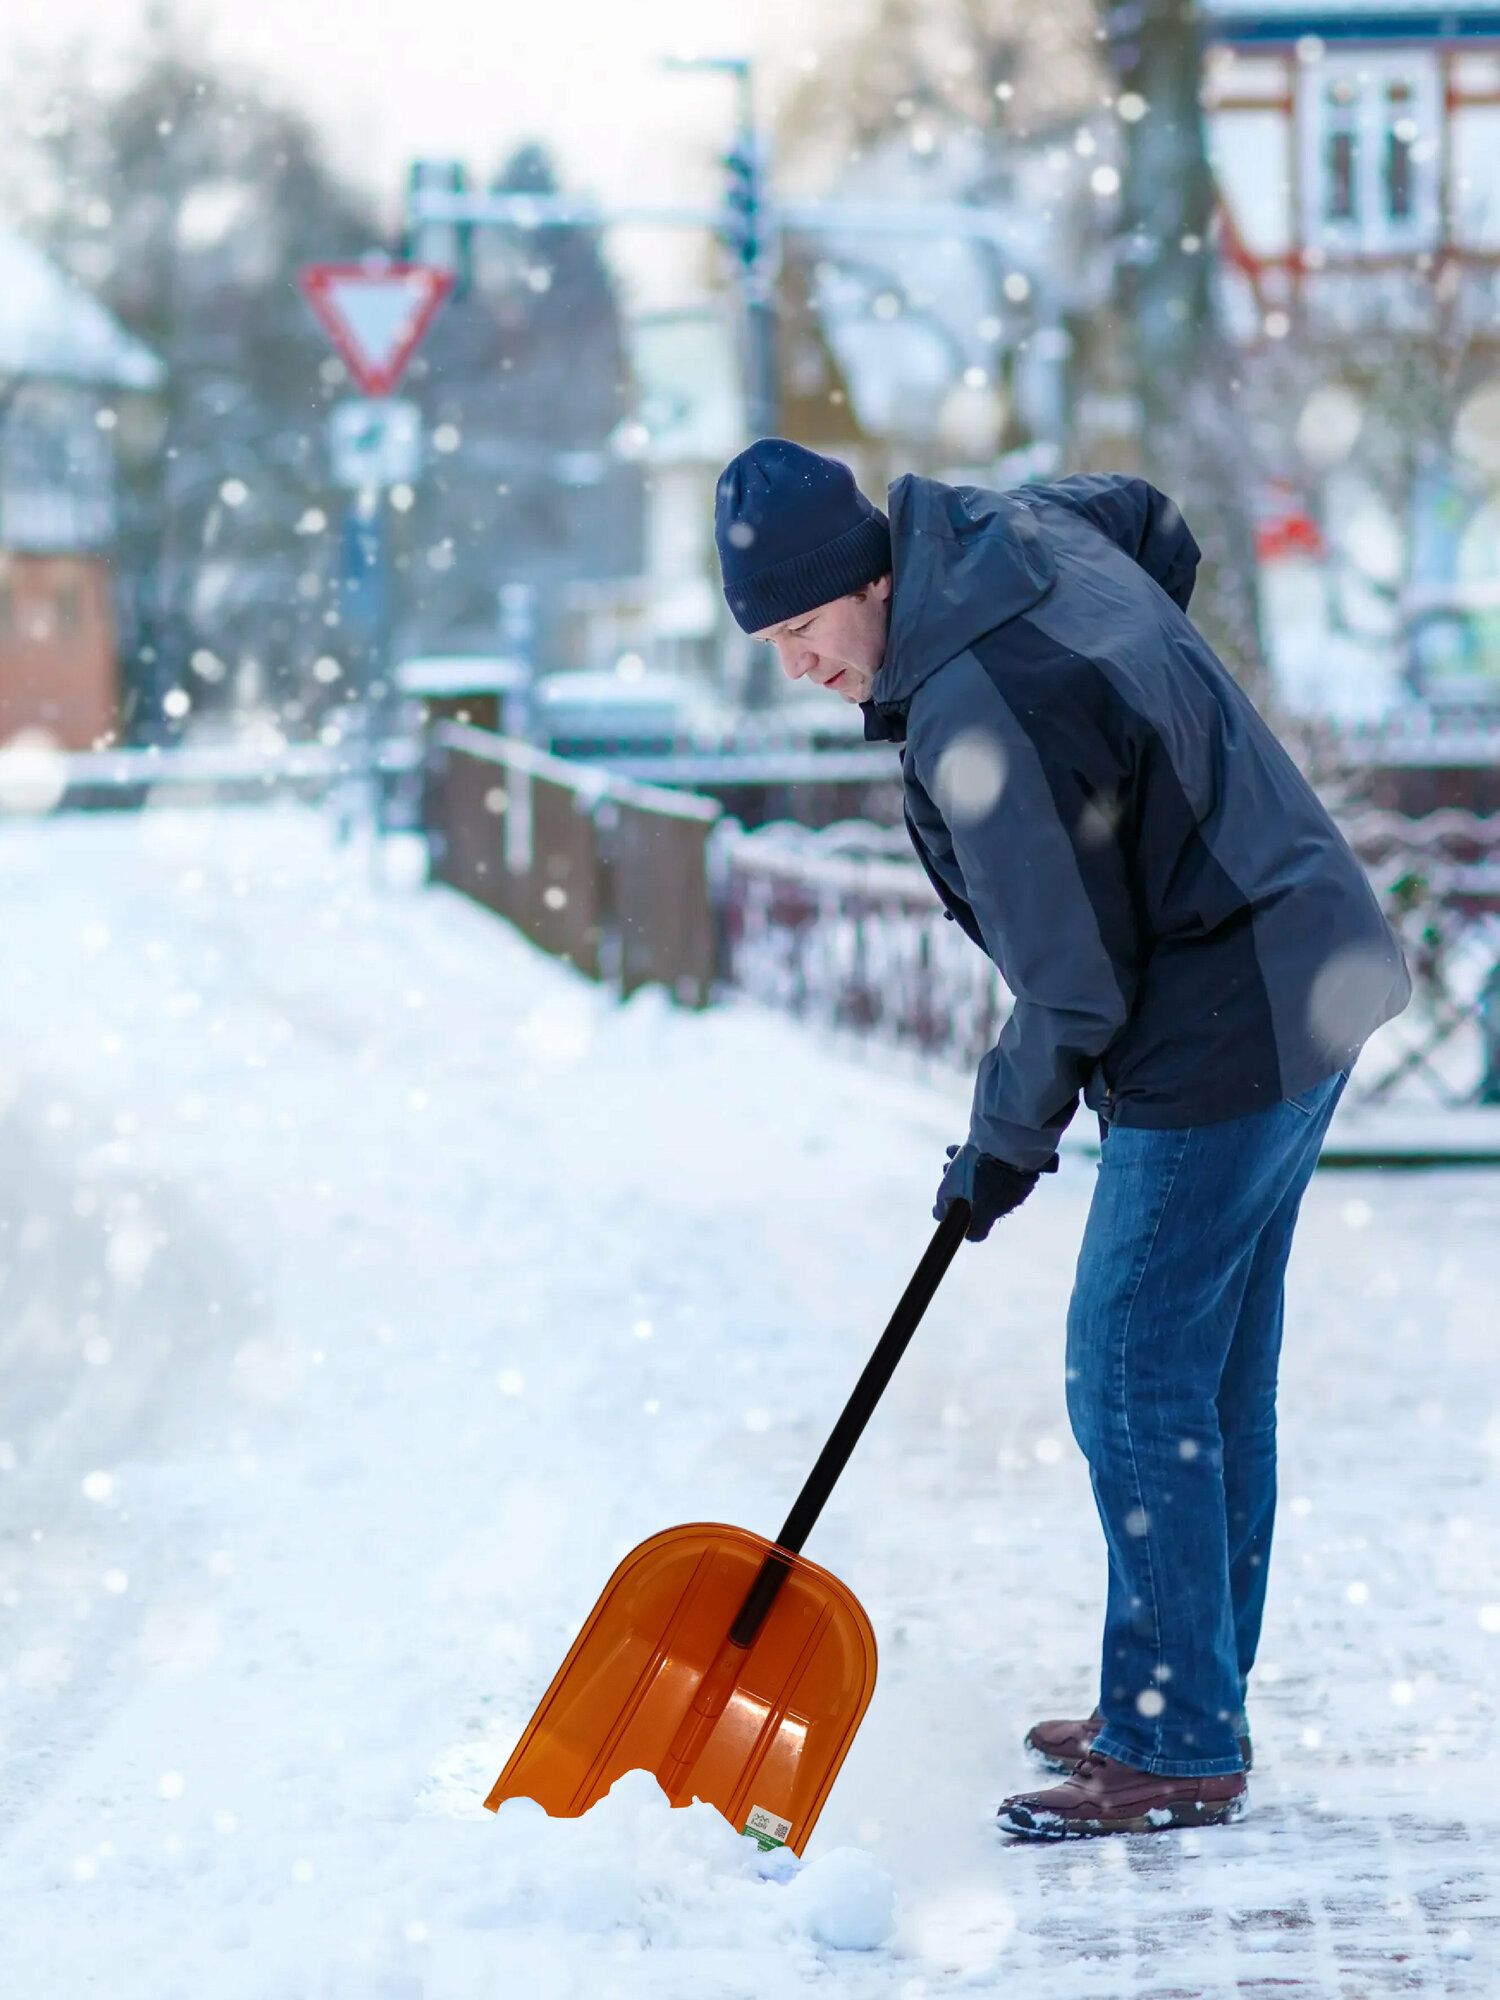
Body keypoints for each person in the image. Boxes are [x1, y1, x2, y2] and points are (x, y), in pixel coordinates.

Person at [713, 438, 1410, 1839]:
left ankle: (1176, 1735)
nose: (797, 667)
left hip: (1225, 1023)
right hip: (1301, 963)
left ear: (869, 580)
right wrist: (1149, 724)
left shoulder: (983, 705)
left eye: (802, 629)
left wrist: (999, 1146)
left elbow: (1074, 984)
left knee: (1133, 1371)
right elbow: (1149, 520)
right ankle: (1186, 1692)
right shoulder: (1009, 541)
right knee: (1205, 1379)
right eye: (772, 643)